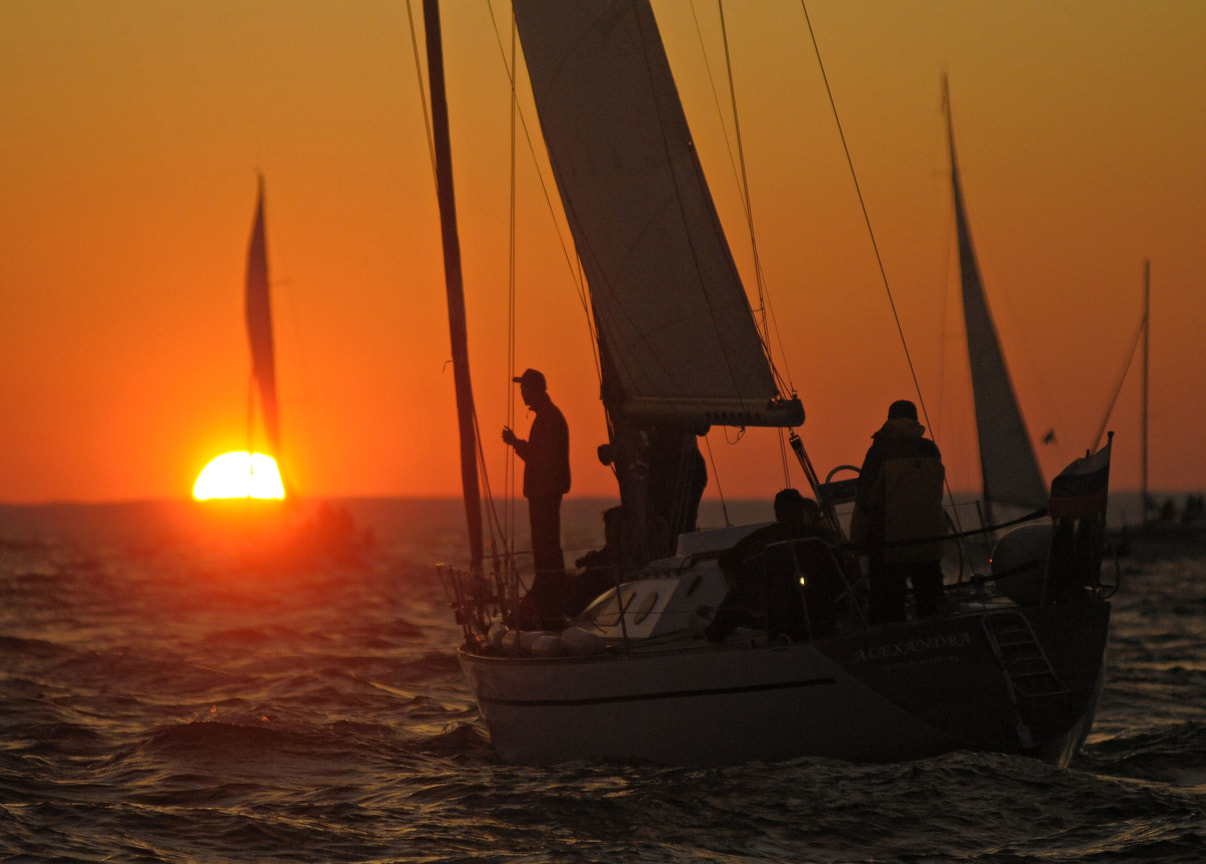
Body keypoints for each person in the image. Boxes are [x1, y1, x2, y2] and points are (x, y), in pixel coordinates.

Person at [849, 399, 947, 624]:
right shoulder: (931, 450)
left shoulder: (880, 451)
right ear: (915, 419)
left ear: (890, 419)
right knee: (931, 605)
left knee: (887, 609)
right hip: (929, 542)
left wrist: (857, 541)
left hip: (890, 545)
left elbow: (866, 499)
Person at [708, 488, 841, 641]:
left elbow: (726, 560)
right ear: (801, 511)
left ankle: (713, 639)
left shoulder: (765, 537)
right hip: (821, 617)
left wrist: (741, 589)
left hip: (778, 619)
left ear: (777, 513)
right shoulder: (821, 538)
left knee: (733, 602)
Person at [503, 368, 571, 629]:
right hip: (544, 492)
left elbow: (540, 458)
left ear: (535, 390)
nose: (522, 394)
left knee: (546, 545)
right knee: (544, 544)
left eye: (524, 389)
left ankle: (551, 596)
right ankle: (549, 592)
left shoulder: (549, 419)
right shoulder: (547, 417)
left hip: (545, 492)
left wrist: (515, 443)